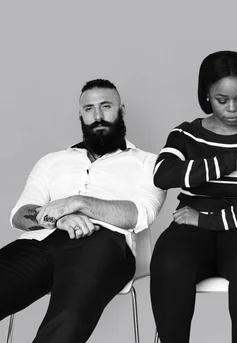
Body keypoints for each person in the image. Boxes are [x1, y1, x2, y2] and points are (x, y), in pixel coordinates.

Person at [0, 79, 166, 343]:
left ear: (121, 110)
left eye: (106, 106)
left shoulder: (148, 162)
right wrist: (60, 218)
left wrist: (79, 203)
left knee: (67, 317)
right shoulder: (52, 161)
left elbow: (140, 213)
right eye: (89, 109)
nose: (97, 116)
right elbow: (21, 213)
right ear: (81, 115)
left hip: (104, 244)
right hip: (40, 243)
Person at [150, 50, 237, 343]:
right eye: (221, 100)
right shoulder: (186, 134)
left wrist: (208, 220)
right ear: (206, 96)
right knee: (169, 264)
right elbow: (163, 175)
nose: (233, 108)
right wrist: (231, 161)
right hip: (190, 228)